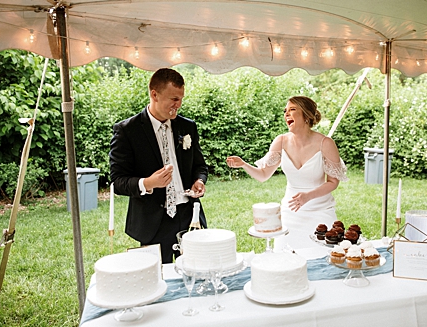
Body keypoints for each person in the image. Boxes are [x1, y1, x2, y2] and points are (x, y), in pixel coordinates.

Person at [109, 68, 208, 264]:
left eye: (180, 99)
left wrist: (199, 181)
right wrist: (148, 183)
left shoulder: (188, 127)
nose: (178, 105)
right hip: (152, 222)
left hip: (189, 216)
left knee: (196, 273)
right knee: (157, 281)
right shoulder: (127, 131)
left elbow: (200, 165)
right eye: (173, 99)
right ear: (154, 94)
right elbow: (118, 182)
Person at [226, 96, 347, 251]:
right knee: (284, 258)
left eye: (292, 110)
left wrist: (307, 196)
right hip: (291, 212)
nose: (286, 114)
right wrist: (243, 164)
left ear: (306, 115)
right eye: (285, 111)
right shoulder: (281, 141)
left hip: (320, 211)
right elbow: (263, 175)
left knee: (322, 257)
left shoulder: (326, 143)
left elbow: (333, 182)